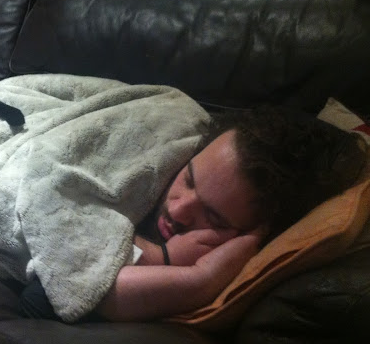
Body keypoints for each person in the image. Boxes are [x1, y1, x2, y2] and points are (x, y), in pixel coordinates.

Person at [96, 105, 367, 321]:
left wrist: (201, 279)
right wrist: (161, 257)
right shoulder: (170, 138)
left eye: (213, 218)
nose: (177, 210)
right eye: (189, 179)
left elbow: (96, 289)